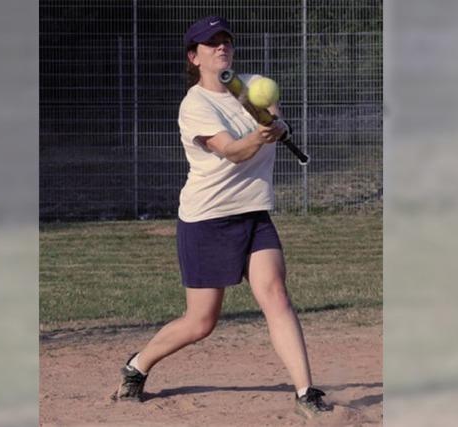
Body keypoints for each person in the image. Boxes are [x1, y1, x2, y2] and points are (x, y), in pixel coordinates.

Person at [111, 15, 333, 418]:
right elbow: (232, 151)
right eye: (210, 43)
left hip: (252, 212)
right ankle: (137, 365)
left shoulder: (253, 86)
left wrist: (274, 121)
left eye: (225, 40)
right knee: (201, 322)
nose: (221, 47)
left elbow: (271, 114)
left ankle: (305, 391)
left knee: (276, 295)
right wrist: (264, 134)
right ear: (194, 57)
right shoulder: (194, 105)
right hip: (207, 219)